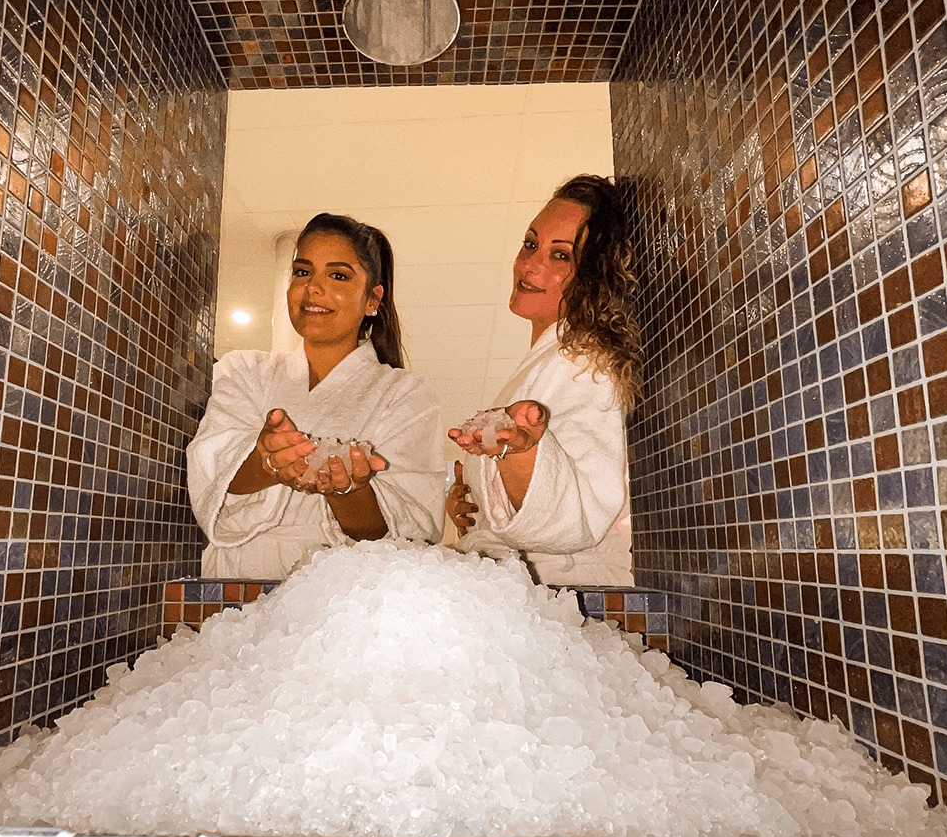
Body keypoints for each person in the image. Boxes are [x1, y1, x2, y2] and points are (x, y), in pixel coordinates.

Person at [188, 213, 445, 580]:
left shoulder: (404, 394)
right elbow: (210, 474)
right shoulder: (243, 370)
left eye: (338, 275)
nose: (313, 288)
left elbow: (405, 532)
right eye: (302, 272)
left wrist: (346, 491)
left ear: (372, 300)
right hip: (234, 583)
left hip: (336, 595)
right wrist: (267, 463)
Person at [446, 175, 640, 586]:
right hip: (536, 595)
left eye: (560, 256)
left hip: (569, 600)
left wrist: (517, 454)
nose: (530, 264)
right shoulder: (552, 363)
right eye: (531, 244)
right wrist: (474, 505)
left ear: (593, 275)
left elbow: (580, 516)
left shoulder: (587, 362)